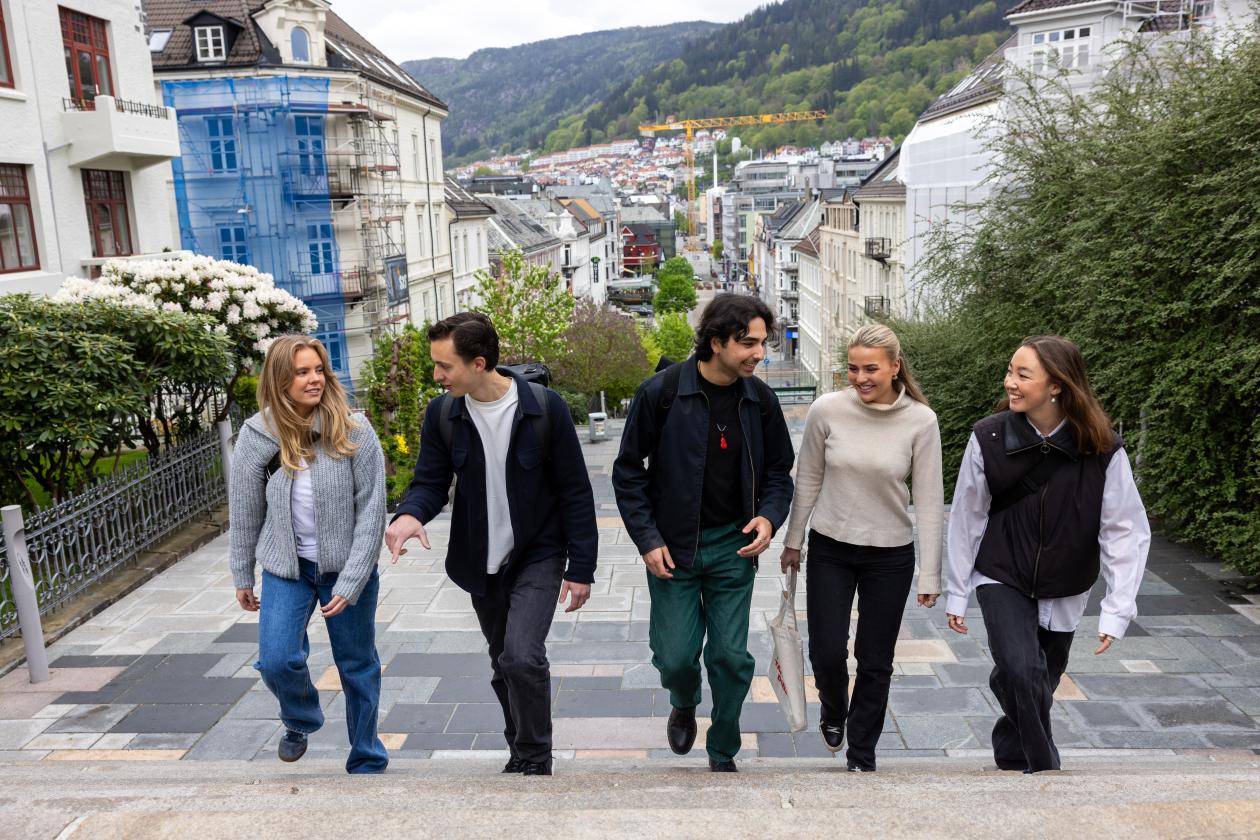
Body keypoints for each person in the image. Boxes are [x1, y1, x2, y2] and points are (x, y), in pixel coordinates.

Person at [384, 312, 598, 777]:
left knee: (522, 655)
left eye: (445, 367)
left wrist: (581, 568)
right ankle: (519, 749)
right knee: (504, 664)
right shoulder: (444, 415)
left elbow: (576, 491)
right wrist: (407, 515)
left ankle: (536, 756)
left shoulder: (545, 408)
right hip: (480, 561)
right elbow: (430, 482)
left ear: (478, 363)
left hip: (539, 553)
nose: (436, 376)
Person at [945, 335, 1150, 773]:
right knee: (1022, 669)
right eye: (1010, 372)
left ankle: (1010, 740)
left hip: (1067, 581)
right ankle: (1045, 766)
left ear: (1056, 385)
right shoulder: (988, 436)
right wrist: (957, 592)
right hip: (1001, 571)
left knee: (1039, 679)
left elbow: (1124, 531)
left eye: (1023, 374)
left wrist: (1118, 609)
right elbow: (967, 516)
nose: (1010, 383)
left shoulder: (1103, 448)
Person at [613, 294, 795, 773]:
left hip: (734, 546)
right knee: (675, 656)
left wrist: (769, 517)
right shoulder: (661, 392)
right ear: (716, 342)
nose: (760, 353)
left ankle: (723, 749)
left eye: (762, 342)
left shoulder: (761, 400)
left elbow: (780, 471)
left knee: (732, 656)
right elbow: (628, 471)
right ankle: (684, 697)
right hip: (673, 548)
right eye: (748, 343)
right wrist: (648, 539)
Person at [780, 324, 943, 772]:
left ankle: (862, 753)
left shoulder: (920, 421)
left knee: (876, 660)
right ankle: (834, 709)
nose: (861, 377)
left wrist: (930, 574)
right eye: (852, 368)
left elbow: (929, 499)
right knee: (826, 651)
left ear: (895, 367)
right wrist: (793, 541)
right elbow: (808, 478)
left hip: (890, 555)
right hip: (831, 546)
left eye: (871, 368)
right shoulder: (826, 410)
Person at [229, 335, 388, 774]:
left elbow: (373, 511)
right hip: (286, 568)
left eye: (318, 369)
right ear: (280, 379)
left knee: (357, 665)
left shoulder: (354, 430)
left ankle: (367, 756)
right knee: (277, 658)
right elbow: (245, 511)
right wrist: (242, 573)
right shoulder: (256, 434)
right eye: (302, 372)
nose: (314, 379)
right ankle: (300, 718)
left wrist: (353, 581)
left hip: (345, 570)